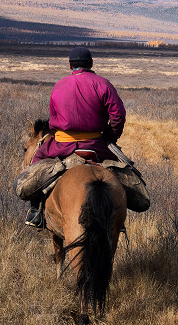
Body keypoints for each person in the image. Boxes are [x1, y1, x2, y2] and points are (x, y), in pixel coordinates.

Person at [25, 46, 126, 227]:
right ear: (91, 64)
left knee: (37, 162)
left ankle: (35, 211)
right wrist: (110, 137)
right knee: (124, 172)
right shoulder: (103, 84)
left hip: (63, 144)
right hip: (96, 144)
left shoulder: (59, 85)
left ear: (70, 64)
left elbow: (53, 118)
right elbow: (118, 116)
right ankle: (121, 213)